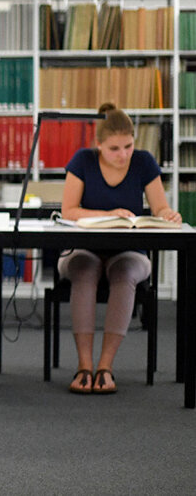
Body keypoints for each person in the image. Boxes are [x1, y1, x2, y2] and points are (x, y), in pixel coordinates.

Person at [59, 102, 181, 394]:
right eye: (114, 149)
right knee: (85, 270)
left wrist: (168, 214)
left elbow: (159, 206)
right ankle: (84, 367)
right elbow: (69, 211)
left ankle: (105, 367)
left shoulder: (144, 162)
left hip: (129, 252)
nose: (123, 154)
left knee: (125, 273)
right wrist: (109, 215)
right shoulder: (82, 160)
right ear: (98, 144)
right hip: (83, 249)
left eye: (128, 146)